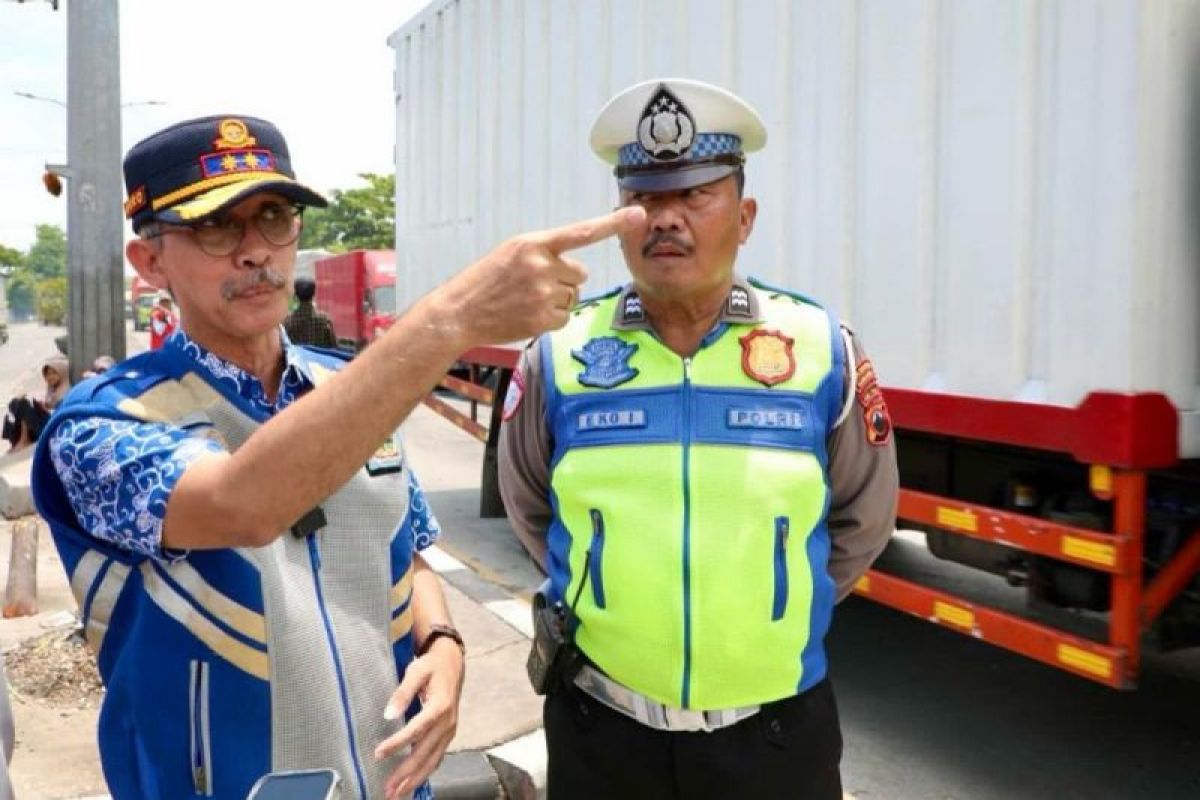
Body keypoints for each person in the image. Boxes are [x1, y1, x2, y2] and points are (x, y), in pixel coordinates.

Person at [30, 114, 642, 800]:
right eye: (215, 227)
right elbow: (243, 504)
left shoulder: (346, 388)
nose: (255, 251)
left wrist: (442, 640)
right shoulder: (104, 424)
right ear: (150, 261)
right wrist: (450, 320)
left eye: (274, 217)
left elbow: (405, 548)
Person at [498, 79, 899, 799]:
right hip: (603, 731)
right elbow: (531, 506)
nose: (665, 220)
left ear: (744, 217)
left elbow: (862, 521)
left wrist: (765, 615)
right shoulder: (558, 353)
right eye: (644, 199)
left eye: (694, 196)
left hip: (775, 735)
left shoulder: (819, 348)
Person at [3, 355, 69, 452]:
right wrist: (42, 405)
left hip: (53, 428)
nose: (50, 377)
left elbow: (61, 414)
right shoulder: (51, 389)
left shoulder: (66, 390)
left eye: (54, 373)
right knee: (15, 403)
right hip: (44, 424)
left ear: (62, 373)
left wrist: (45, 409)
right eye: (48, 374)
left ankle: (24, 440)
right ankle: (16, 441)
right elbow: (49, 405)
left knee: (23, 405)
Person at [284, 275, 338, 348]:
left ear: (295, 294)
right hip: (319, 358)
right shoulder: (324, 320)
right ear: (314, 293)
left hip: (297, 359)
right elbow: (333, 346)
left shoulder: (287, 321)